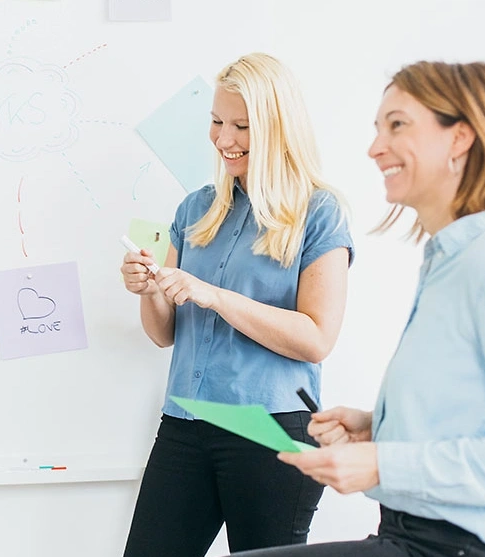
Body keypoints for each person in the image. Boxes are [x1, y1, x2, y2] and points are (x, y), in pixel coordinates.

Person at [232, 60, 485, 557]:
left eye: (398, 125)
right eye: (377, 128)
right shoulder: (446, 261)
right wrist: (380, 426)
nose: (375, 148)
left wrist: (382, 464)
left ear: (459, 138)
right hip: (405, 533)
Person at [120, 52, 354, 556]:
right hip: (185, 422)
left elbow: (317, 339)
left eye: (242, 126)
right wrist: (151, 289)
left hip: (270, 429)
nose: (224, 139)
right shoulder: (195, 209)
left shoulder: (319, 212)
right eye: (216, 122)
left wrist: (216, 297)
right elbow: (164, 334)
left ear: (276, 127)